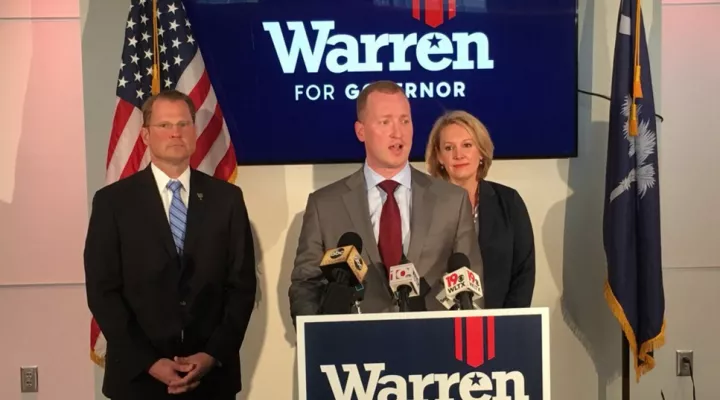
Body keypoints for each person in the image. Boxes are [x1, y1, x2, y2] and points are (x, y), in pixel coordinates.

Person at [83, 90, 256, 400]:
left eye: (183, 124)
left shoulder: (226, 199)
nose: (175, 132)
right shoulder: (113, 202)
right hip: (138, 379)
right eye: (164, 125)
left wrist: (211, 355)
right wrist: (149, 362)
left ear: (194, 131)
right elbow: (103, 290)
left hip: (211, 378)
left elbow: (242, 286)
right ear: (146, 135)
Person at [289, 81, 483, 318]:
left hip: (432, 345)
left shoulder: (452, 201)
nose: (398, 132)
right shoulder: (325, 205)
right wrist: (320, 339)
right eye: (385, 122)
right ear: (361, 131)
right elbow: (306, 285)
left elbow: (473, 284)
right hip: (354, 348)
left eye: (405, 120)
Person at [425, 110, 535, 309]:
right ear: (439, 157)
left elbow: (524, 271)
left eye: (467, 145)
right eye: (449, 148)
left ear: (481, 152)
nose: (459, 155)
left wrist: (509, 321)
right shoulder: (423, 206)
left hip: (499, 324)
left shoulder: (508, 201)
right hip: (438, 325)